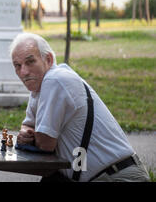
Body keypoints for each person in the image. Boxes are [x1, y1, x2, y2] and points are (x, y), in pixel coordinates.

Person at [11, 33, 150, 182]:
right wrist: (25, 132)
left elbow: (45, 145)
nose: (23, 72)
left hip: (118, 177)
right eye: (17, 66)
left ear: (48, 60)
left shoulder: (55, 80)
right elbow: (28, 125)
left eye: (30, 62)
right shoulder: (39, 87)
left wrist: (31, 138)